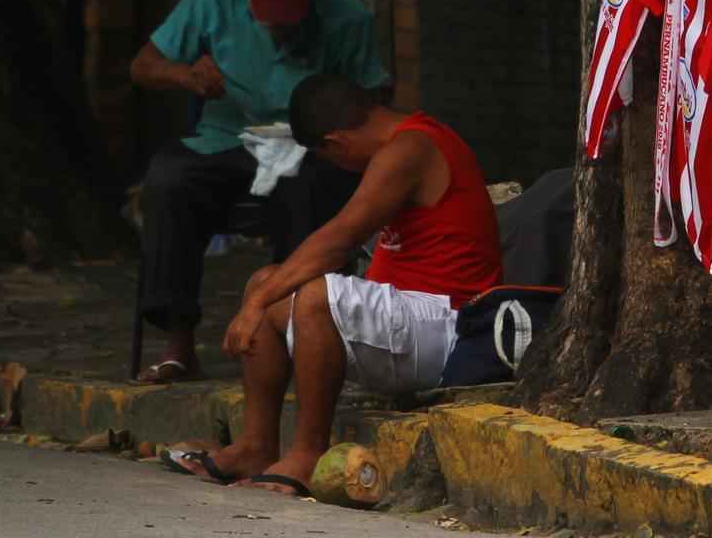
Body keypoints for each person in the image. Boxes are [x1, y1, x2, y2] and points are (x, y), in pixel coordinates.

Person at [172, 75, 503, 494]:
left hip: (450, 329)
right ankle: (256, 446)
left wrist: (255, 306)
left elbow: (339, 240)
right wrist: (259, 297)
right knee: (265, 280)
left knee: (311, 297)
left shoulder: (411, 147)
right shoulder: (401, 143)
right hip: (407, 323)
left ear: (336, 144)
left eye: (330, 159)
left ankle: (308, 454)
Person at [129, 0, 391, 383]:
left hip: (309, 145)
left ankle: (293, 337)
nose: (278, 24)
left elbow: (376, 97)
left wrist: (333, 110)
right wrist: (186, 76)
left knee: (314, 190)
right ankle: (178, 344)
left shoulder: (347, 18)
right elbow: (143, 66)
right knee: (170, 179)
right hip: (228, 137)